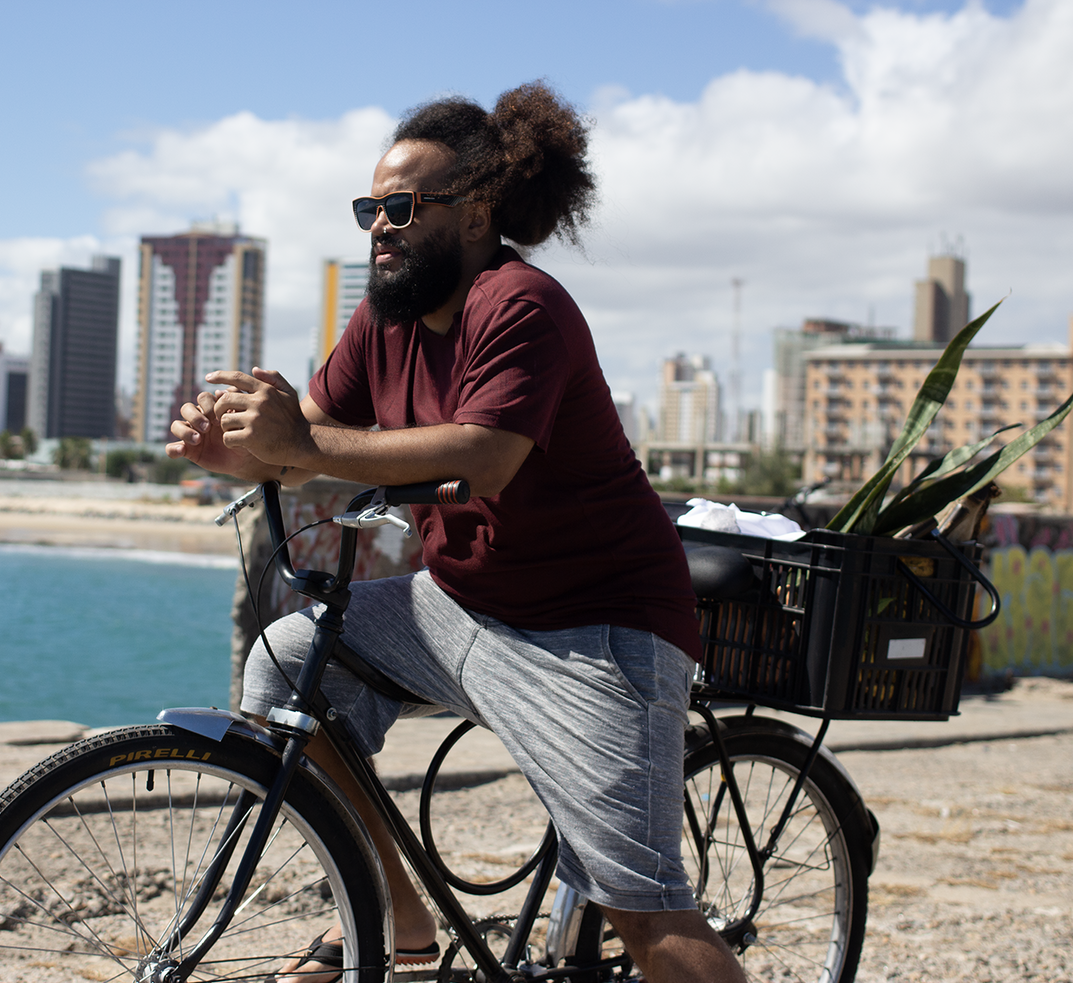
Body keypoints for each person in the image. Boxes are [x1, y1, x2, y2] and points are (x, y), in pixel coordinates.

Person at [167, 81, 745, 983]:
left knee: (644, 908)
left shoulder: (521, 306)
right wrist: (236, 452)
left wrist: (298, 441)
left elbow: (484, 457)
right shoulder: (383, 320)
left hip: (595, 632)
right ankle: (398, 919)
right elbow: (303, 446)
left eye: (400, 207)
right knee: (284, 661)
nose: (379, 229)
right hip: (460, 606)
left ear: (476, 212)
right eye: (369, 209)